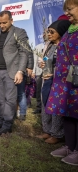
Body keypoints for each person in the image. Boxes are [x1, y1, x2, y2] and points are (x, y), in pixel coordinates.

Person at [0, 11, 28, 135]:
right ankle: (1, 119)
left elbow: (23, 52)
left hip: (11, 71)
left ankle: (8, 124)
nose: (2, 25)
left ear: (11, 20)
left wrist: (20, 71)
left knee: (10, 99)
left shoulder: (19, 32)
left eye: (4, 22)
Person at [48, 0, 78, 165]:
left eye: (70, 9)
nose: (67, 13)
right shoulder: (69, 31)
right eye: (66, 10)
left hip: (76, 79)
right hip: (65, 80)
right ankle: (70, 146)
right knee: (68, 112)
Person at [36, 19, 71, 144]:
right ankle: (47, 130)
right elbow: (45, 60)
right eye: (48, 32)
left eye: (52, 32)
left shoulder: (65, 46)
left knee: (56, 107)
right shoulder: (49, 46)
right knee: (45, 104)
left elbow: (67, 64)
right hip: (46, 80)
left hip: (59, 82)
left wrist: (55, 71)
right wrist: (42, 64)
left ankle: (57, 134)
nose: (49, 34)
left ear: (61, 32)